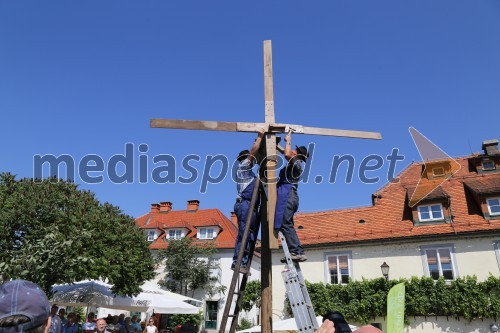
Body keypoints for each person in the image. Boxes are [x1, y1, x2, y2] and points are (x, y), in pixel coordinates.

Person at [231, 129, 265, 272]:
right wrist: (259, 137)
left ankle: (243, 262)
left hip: (251, 206)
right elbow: (253, 152)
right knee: (244, 233)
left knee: (250, 235)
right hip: (244, 204)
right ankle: (238, 262)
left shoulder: (251, 174)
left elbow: (256, 155)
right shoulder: (242, 168)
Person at [275, 131, 309, 262]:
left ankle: (297, 251)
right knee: (285, 224)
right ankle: (293, 251)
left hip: (288, 195)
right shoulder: (296, 163)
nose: (292, 150)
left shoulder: (296, 163)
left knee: (286, 223)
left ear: (298, 154)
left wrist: (288, 140)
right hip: (289, 196)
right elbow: (286, 151)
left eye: (295, 150)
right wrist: (276, 145)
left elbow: (287, 153)